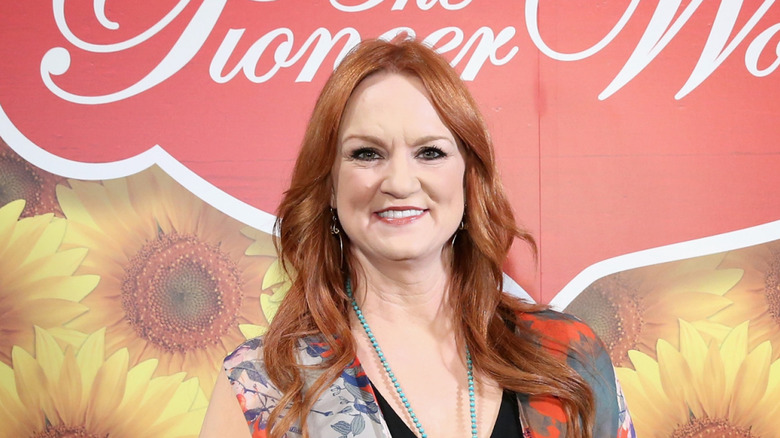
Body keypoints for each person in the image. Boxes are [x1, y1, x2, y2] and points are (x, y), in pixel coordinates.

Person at [201, 36, 635, 438]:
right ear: (330, 184)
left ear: (468, 177)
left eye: (430, 152)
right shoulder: (265, 383)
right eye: (367, 153)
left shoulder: (567, 357)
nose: (400, 182)